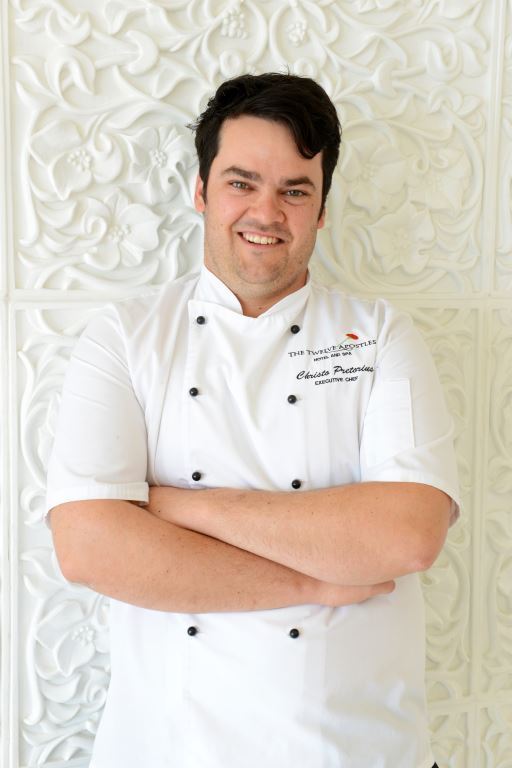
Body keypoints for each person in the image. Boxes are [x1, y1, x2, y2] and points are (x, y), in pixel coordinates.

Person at [46, 73, 458, 768]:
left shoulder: (380, 335)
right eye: (242, 183)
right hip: (170, 752)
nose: (266, 213)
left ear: (321, 210)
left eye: (295, 191)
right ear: (202, 192)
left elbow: (409, 535)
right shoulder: (126, 337)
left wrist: (174, 506)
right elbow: (89, 548)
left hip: (353, 750)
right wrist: (314, 583)